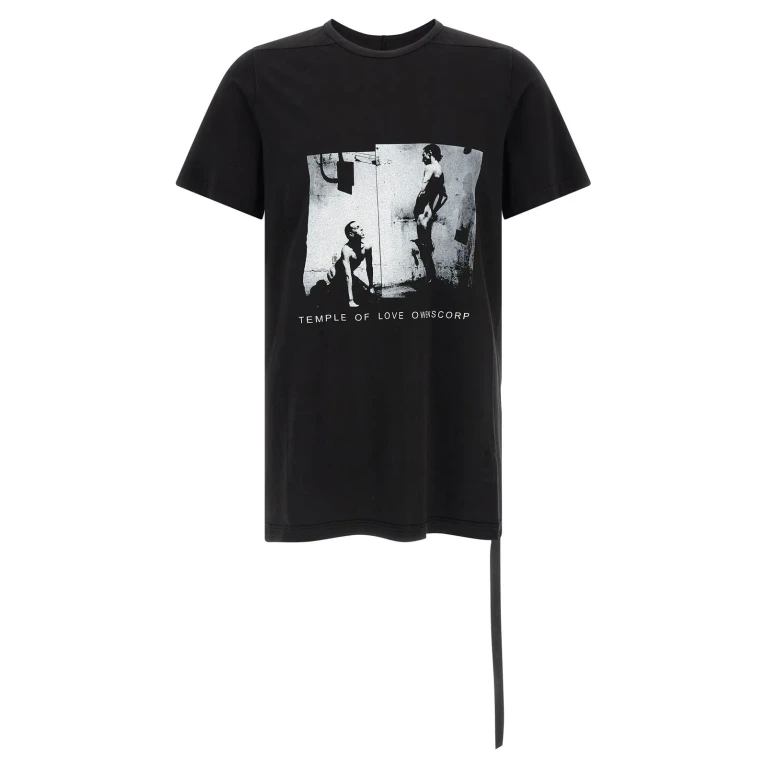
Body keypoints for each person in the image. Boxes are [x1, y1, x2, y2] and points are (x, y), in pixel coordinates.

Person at [412, 144, 448, 284]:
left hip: (422, 213)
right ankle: (431, 278)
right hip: (429, 212)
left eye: (424, 155)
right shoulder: (440, 171)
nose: (422, 158)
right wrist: (434, 209)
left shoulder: (429, 168)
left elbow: (422, 188)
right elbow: (444, 196)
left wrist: (421, 193)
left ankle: (430, 280)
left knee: (424, 248)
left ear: (430, 152)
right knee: (426, 245)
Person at [326, 221, 374, 308]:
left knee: (366, 294)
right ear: (351, 234)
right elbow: (347, 275)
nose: (361, 229)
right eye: (358, 228)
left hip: (349, 274)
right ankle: (329, 288)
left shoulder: (367, 247)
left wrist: (371, 287)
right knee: (339, 298)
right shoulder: (346, 250)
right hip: (335, 274)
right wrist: (351, 300)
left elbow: (369, 267)